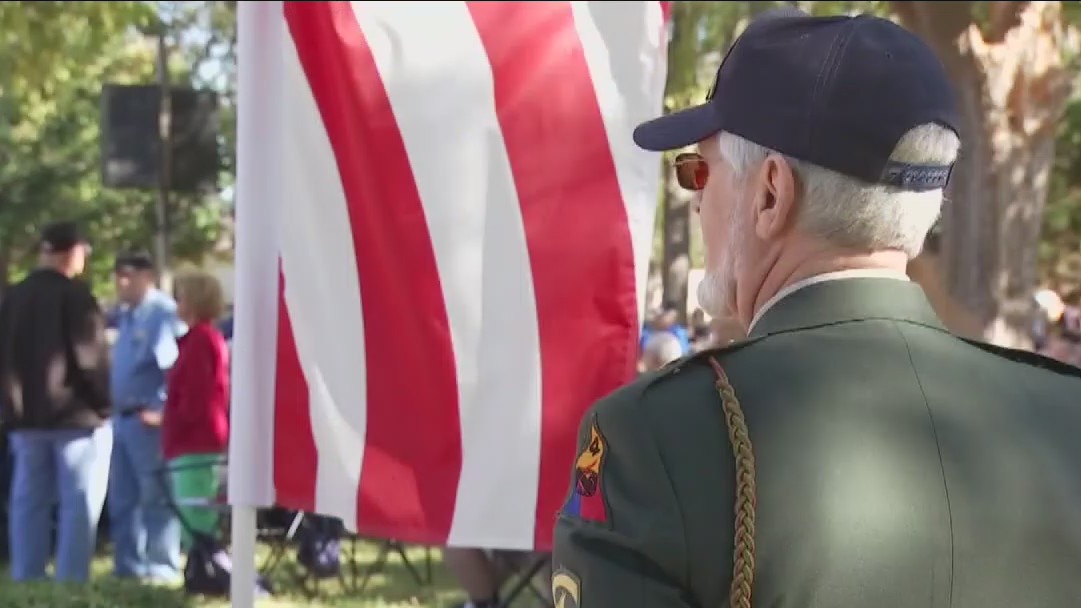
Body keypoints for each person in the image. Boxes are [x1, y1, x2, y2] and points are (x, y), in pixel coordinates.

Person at [552, 8, 1081, 608]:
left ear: (771, 194)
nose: (697, 203)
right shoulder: (1067, 416)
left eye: (700, 171)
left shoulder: (655, 441)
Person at [0, 221, 112, 582]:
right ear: (73, 252)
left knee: (28, 504)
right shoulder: (76, 297)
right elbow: (89, 358)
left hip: (26, 417)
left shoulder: (13, 297)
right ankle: (71, 580)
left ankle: (27, 574)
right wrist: (104, 404)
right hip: (74, 419)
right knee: (77, 505)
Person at [108, 251, 185, 582]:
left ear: (147, 276)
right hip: (120, 419)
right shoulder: (126, 315)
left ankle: (161, 566)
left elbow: (176, 369)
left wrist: (163, 412)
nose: (121, 282)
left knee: (155, 496)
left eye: (128, 275)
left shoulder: (162, 314)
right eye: (118, 275)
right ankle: (128, 566)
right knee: (122, 499)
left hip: (147, 420)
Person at [149, 270, 230, 547]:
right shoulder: (200, 339)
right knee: (191, 505)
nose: (177, 304)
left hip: (195, 439)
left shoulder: (201, 340)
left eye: (181, 298)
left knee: (196, 509)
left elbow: (196, 397)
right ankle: (200, 563)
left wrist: (173, 421)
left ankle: (205, 563)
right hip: (192, 437)